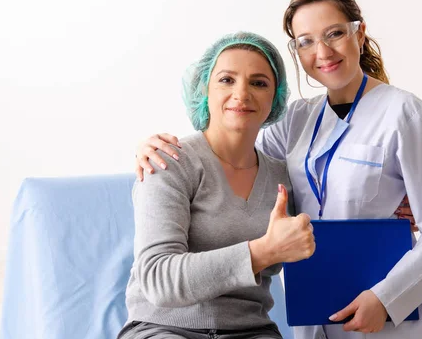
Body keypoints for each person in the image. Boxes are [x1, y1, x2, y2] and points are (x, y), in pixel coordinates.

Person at [134, 0, 422, 339]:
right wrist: (152, 149)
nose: (323, 51)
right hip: (315, 307)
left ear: (359, 35)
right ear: (296, 50)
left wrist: (386, 299)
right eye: (306, 41)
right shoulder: (296, 120)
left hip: (390, 313)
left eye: (334, 34)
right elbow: (234, 151)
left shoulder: (406, 115)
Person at [118, 32, 316, 339]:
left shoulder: (284, 178)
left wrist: (400, 207)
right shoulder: (168, 162)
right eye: (227, 79)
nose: (242, 93)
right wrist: (263, 251)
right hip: (164, 327)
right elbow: (158, 279)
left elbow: (329, 226)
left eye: (259, 82)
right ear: (204, 90)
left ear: (275, 99)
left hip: (250, 330)